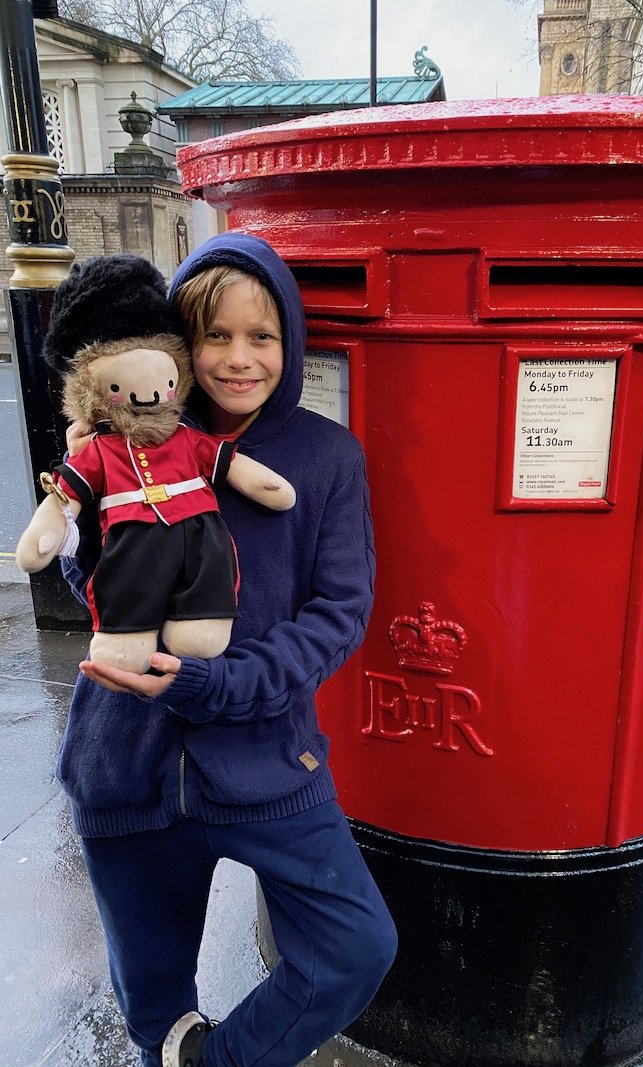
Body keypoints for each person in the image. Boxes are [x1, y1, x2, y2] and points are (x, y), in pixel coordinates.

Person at [55, 233, 397, 1067]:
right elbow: (87, 586)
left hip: (267, 758)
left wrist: (219, 682)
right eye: (215, 336)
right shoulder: (133, 433)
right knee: (154, 1005)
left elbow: (339, 612)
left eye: (261, 336)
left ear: (290, 340)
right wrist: (84, 501)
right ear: (180, 343)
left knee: (355, 942)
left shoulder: (325, 458)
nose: (238, 359)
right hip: (125, 763)